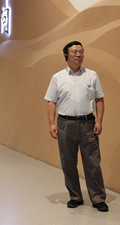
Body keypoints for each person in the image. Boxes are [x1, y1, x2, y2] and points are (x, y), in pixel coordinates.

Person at [44, 41, 108, 212]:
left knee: (93, 162)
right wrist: (52, 123)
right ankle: (75, 196)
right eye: (74, 52)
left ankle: (98, 198)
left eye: (81, 52)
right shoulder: (57, 77)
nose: (78, 55)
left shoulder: (92, 75)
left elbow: (99, 99)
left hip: (88, 124)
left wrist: (99, 121)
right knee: (68, 162)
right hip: (65, 124)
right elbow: (51, 101)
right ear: (66, 55)